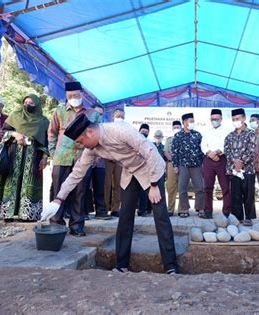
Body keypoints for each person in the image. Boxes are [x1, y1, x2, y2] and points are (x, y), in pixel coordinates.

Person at [41, 112, 178, 274]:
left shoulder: (120, 131)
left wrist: (154, 184)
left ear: (90, 133)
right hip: (130, 172)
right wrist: (58, 199)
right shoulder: (92, 148)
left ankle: (171, 266)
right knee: (125, 217)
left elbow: (151, 152)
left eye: (81, 141)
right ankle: (121, 265)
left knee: (160, 216)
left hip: (151, 169)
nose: (81, 145)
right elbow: (77, 173)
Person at [0, 94, 49, 221]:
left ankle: (27, 214)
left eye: (31, 103)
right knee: (11, 181)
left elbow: (47, 141)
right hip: (13, 154)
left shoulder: (43, 121)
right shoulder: (15, 116)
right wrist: (15, 134)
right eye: (25, 102)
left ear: (37, 105)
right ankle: (7, 213)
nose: (27, 105)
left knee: (29, 183)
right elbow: (3, 132)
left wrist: (44, 158)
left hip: (33, 157)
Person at [48, 82, 95, 236]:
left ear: (82, 94)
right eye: (70, 96)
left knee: (80, 193)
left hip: (83, 158)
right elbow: (52, 133)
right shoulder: (59, 111)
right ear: (66, 96)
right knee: (58, 191)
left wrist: (94, 157)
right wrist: (53, 153)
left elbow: (97, 136)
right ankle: (56, 223)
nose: (73, 98)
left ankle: (77, 226)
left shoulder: (92, 114)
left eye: (76, 95)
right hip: (61, 157)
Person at [224, 108, 256, 225]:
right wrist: (234, 162)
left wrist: (241, 162)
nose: (236, 121)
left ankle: (248, 217)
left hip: (248, 169)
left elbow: (252, 150)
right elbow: (226, 150)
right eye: (233, 119)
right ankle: (238, 217)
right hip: (234, 170)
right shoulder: (230, 136)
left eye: (237, 119)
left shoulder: (251, 133)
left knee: (248, 194)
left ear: (243, 118)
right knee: (236, 194)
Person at [172, 113, 205, 218]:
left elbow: (202, 150)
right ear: (184, 122)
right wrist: (175, 165)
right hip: (183, 165)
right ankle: (184, 209)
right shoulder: (178, 136)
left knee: (199, 187)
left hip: (196, 165)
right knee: (182, 188)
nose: (192, 123)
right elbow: (174, 151)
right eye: (190, 121)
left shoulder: (198, 135)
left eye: (193, 121)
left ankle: (200, 208)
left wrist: (203, 164)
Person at [200, 109, 231, 219]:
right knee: (207, 187)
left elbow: (227, 145)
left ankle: (226, 212)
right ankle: (208, 211)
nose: (214, 121)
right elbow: (203, 145)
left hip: (222, 159)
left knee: (225, 187)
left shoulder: (227, 131)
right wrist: (210, 153)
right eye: (212, 119)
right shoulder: (207, 132)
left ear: (221, 119)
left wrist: (217, 152)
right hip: (208, 160)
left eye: (216, 119)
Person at [86, 104, 110, 220]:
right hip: (86, 161)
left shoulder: (104, 128)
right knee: (84, 187)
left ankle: (100, 211)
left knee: (100, 187)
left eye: (100, 114)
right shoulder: (85, 126)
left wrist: (99, 156)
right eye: (96, 113)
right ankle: (83, 212)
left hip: (100, 162)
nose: (98, 116)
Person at [104, 108, 125, 217]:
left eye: (122, 117)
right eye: (118, 116)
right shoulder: (106, 128)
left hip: (120, 161)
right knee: (106, 184)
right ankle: (104, 208)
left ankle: (115, 208)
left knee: (118, 184)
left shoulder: (126, 130)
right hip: (107, 159)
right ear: (113, 117)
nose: (120, 118)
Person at [164, 121, 181, 216]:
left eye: (178, 127)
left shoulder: (184, 138)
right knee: (171, 187)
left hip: (182, 165)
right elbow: (166, 152)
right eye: (175, 127)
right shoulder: (169, 140)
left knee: (182, 187)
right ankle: (170, 209)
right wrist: (174, 162)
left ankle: (182, 210)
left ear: (181, 127)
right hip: (171, 165)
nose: (176, 129)